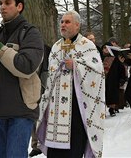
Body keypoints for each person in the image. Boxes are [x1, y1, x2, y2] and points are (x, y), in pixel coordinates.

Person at [0, 0, 44, 158]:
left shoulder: (30, 33)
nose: (2, 7)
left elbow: (26, 66)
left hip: (21, 110)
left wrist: (0, 48)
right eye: (0, 3)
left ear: (19, 6)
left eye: (7, 3)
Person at [36, 11, 105, 158]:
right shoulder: (55, 47)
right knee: (55, 151)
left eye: (67, 22)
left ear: (77, 25)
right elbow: (50, 73)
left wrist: (76, 66)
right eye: (62, 22)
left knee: (74, 148)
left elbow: (98, 71)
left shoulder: (88, 46)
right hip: (56, 107)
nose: (63, 25)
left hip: (77, 106)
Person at [29, 43, 51, 157]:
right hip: (31, 84)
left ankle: (48, 142)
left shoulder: (47, 48)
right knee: (34, 113)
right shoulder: (27, 46)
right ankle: (36, 143)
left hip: (44, 82)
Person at [100, 40, 127, 117]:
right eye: (104, 47)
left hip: (112, 78)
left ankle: (112, 109)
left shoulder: (115, 58)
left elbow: (121, 68)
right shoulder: (99, 57)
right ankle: (102, 110)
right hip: (101, 78)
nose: (106, 49)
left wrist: (123, 78)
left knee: (112, 93)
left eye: (107, 48)